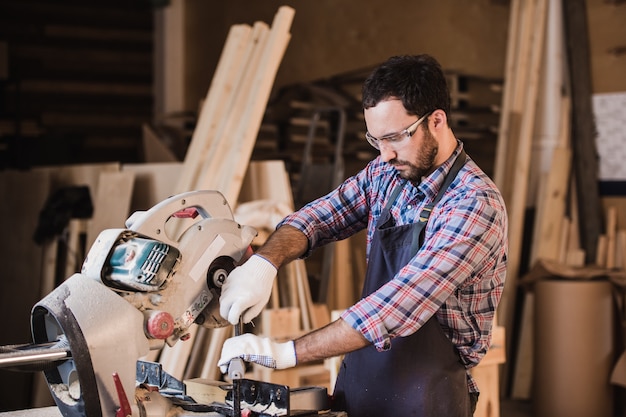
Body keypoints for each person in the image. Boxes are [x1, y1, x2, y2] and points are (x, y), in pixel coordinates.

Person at [217, 54, 508, 416]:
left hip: (428, 396)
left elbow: (399, 304)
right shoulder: (387, 174)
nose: (385, 154)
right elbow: (319, 217)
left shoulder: (474, 204)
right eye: (376, 140)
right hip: (363, 381)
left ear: (436, 120)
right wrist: (264, 263)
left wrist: (285, 352)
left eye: (395, 138)